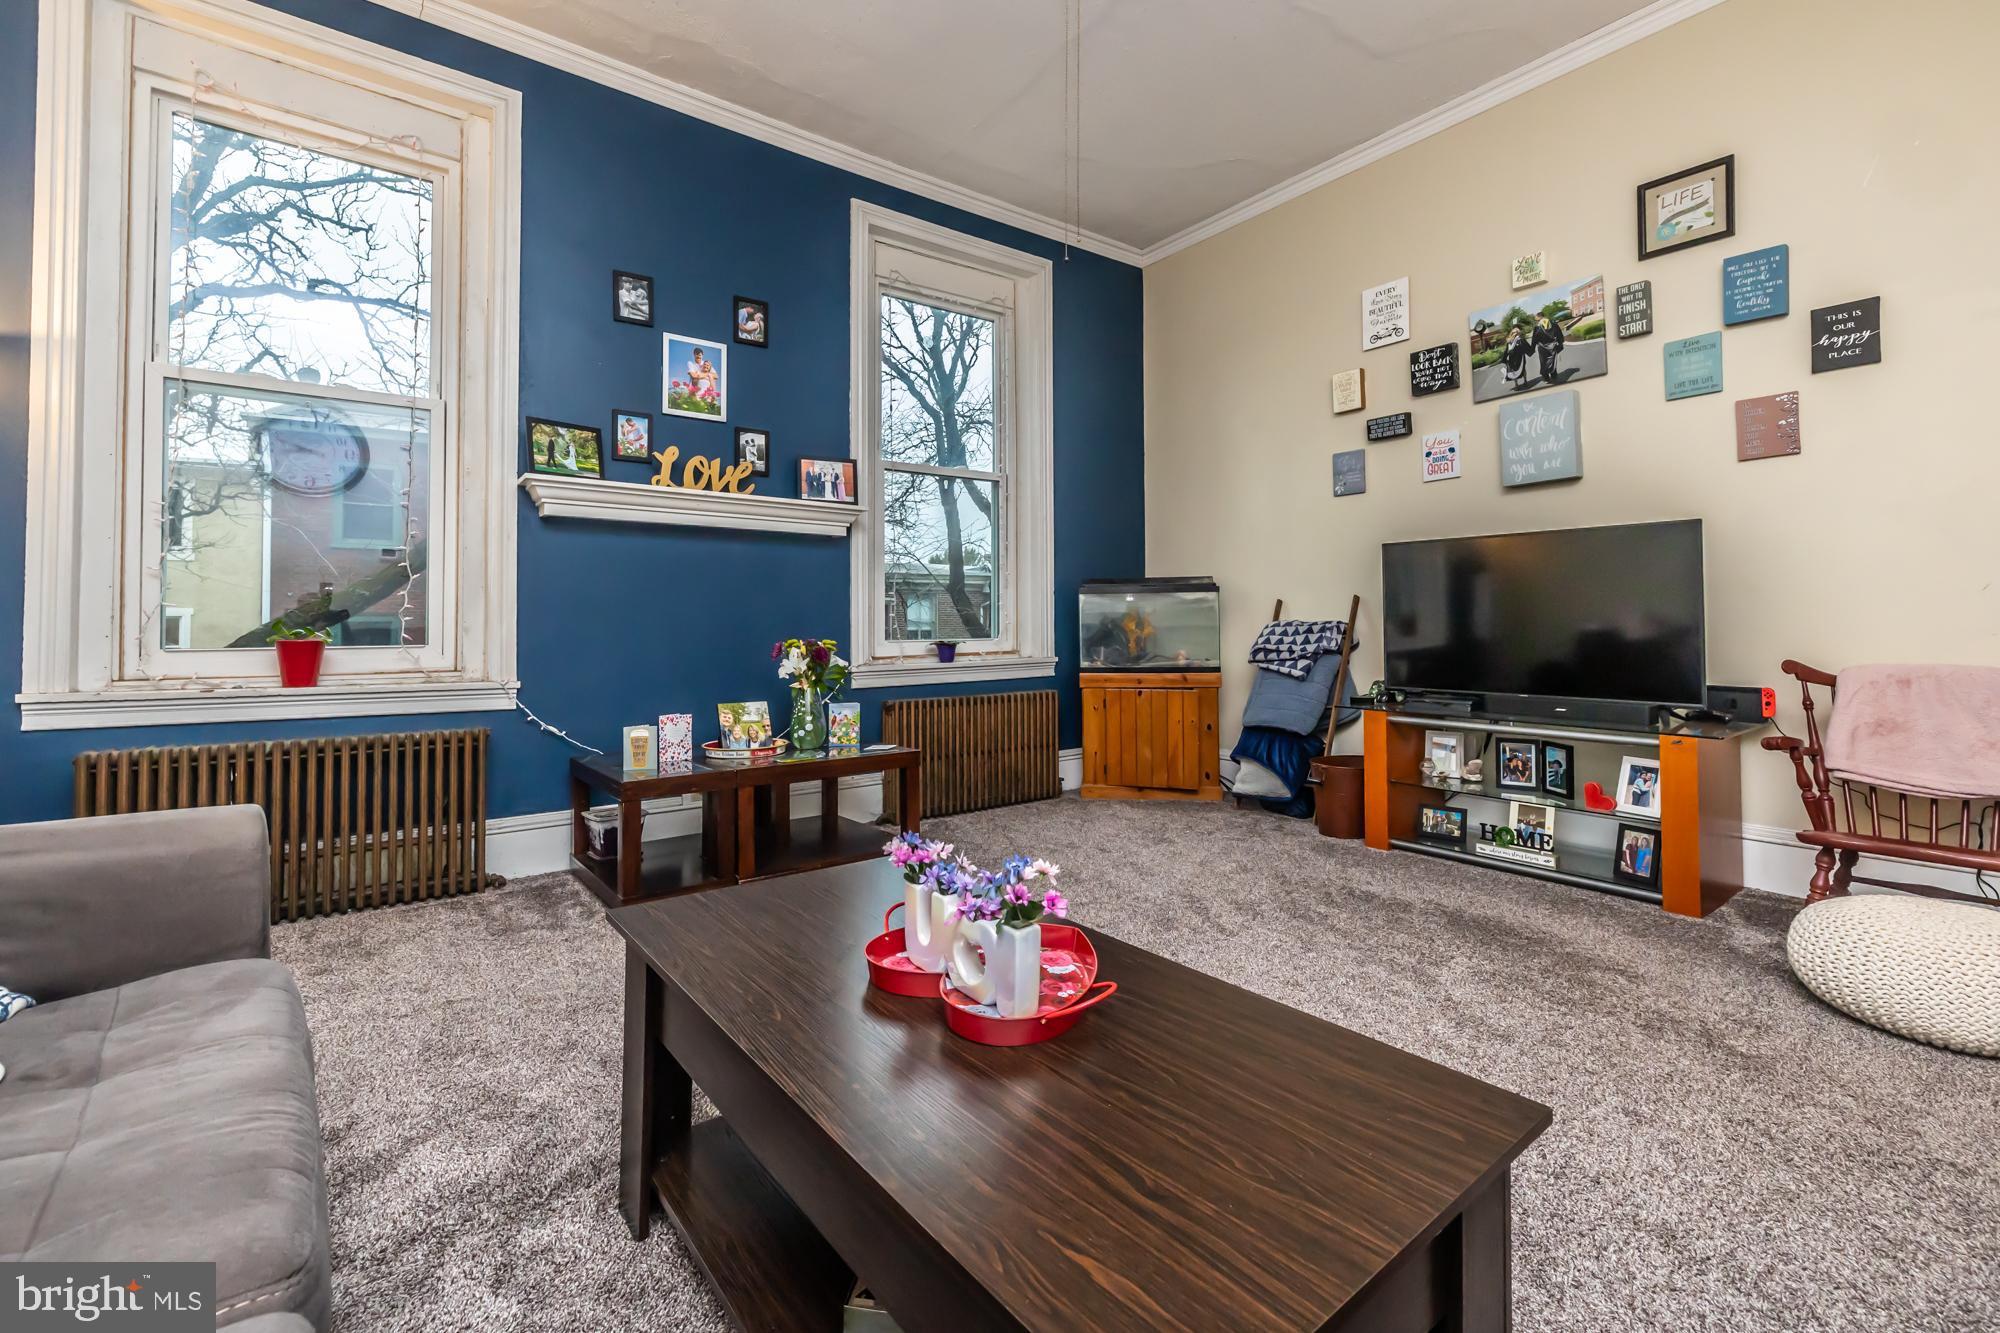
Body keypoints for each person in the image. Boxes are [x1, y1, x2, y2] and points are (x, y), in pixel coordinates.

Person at [1532, 313, 1566, 385]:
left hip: (1542, 348)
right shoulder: (1553, 324)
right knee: (1552, 361)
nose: (1536, 321)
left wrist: (1532, 348)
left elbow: (1534, 339)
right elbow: (1559, 335)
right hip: (1552, 346)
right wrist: (1560, 343)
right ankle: (1554, 375)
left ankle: (1546, 378)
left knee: (1543, 363)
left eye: (1536, 320)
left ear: (1539, 317)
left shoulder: (1537, 327)